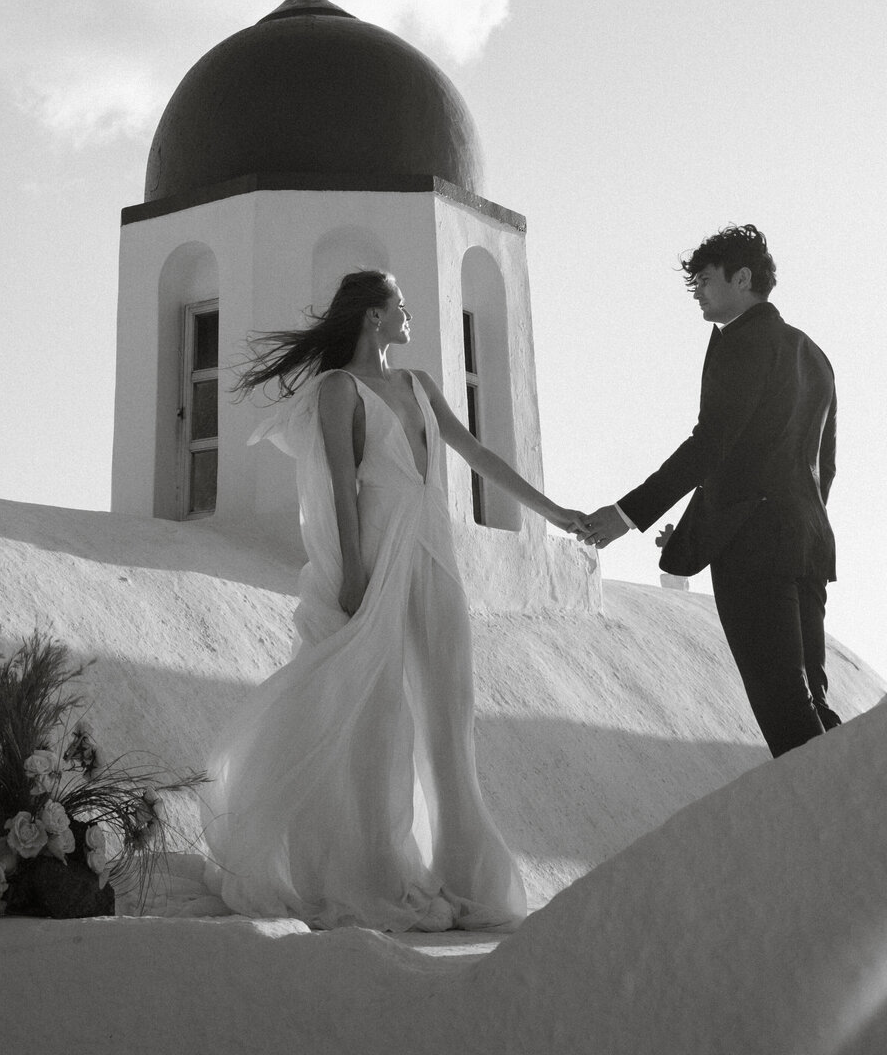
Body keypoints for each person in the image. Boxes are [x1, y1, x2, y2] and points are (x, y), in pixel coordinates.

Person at [201, 269, 587, 932]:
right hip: (378, 563)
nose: (410, 315)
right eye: (399, 306)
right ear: (372, 318)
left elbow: (478, 457)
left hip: (435, 559)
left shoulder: (419, 387)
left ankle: (467, 878)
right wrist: (351, 572)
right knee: (376, 723)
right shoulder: (336, 391)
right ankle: (371, 873)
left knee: (449, 713)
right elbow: (342, 489)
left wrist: (558, 512)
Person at [580, 224, 840, 758]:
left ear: (742, 278)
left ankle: (846, 838)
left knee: (787, 715)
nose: (696, 290)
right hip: (807, 544)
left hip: (756, 552)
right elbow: (820, 468)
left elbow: (712, 443)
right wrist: (714, 519)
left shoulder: (741, 341)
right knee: (813, 702)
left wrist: (627, 514)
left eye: (704, 278)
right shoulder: (813, 354)